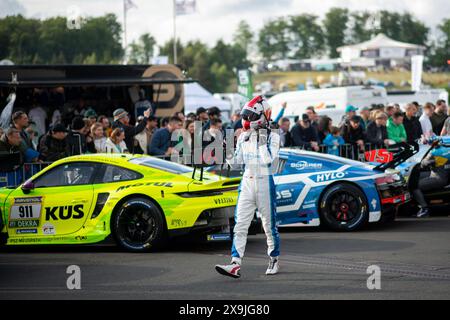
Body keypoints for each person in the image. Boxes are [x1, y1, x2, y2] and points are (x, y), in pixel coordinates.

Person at [215, 95, 280, 278]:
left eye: (250, 117)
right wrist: (226, 150)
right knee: (240, 225)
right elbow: (236, 164)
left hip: (265, 181)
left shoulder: (273, 135)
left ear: (263, 116)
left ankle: (274, 258)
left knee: (269, 225)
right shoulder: (244, 136)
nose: (246, 120)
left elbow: (268, 159)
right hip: (247, 181)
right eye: (246, 116)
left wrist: (259, 138)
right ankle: (235, 263)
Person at [410, 142, 449, 218]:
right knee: (417, 176)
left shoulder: (435, 152)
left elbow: (422, 164)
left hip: (438, 178)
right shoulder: (447, 150)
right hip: (441, 174)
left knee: (413, 185)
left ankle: (424, 208)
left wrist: (425, 162)